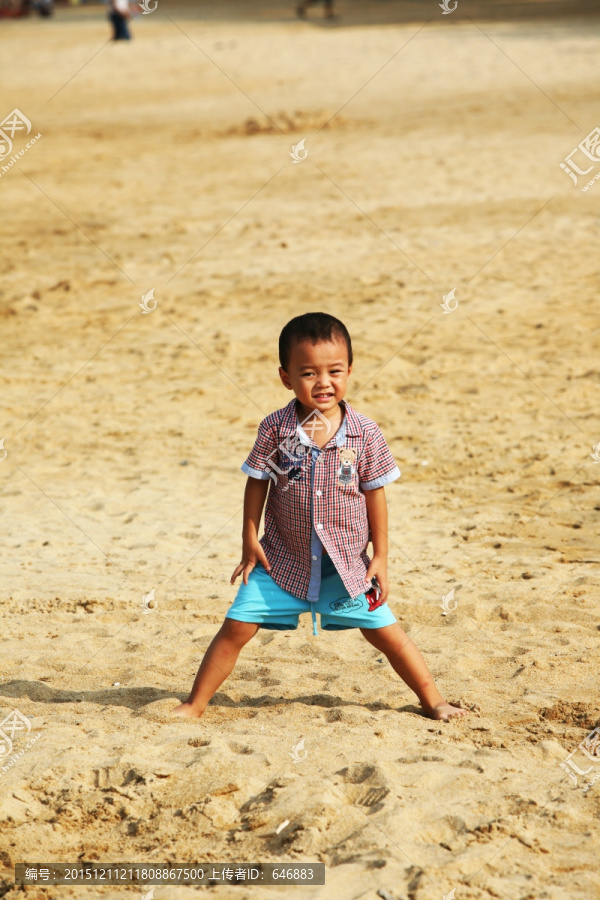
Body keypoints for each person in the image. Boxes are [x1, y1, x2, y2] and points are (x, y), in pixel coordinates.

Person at [173, 313, 468, 722]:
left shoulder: (365, 433)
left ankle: (432, 699)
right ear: (286, 377)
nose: (323, 382)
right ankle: (194, 704)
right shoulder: (276, 429)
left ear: (349, 371)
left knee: (386, 633)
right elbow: (258, 482)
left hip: (346, 566)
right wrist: (249, 537)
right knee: (236, 628)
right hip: (281, 560)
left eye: (334, 371)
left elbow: (374, 493)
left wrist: (380, 556)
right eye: (308, 373)